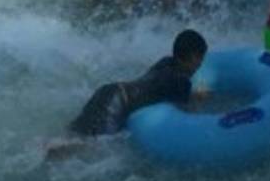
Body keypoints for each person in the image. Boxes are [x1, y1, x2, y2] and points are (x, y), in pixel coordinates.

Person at [45, 29, 208, 160]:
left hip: (109, 91)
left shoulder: (165, 62)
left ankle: (46, 145)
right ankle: (60, 151)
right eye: (201, 58)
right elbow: (186, 117)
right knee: (96, 148)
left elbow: (157, 87)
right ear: (193, 56)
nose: (200, 64)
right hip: (116, 105)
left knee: (74, 133)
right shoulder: (181, 81)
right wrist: (198, 102)